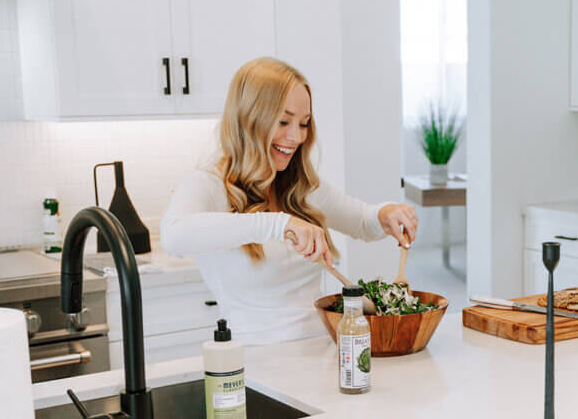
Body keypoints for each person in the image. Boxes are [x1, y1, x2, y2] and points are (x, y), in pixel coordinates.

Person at [161, 57, 418, 344]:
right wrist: (279, 224)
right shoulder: (210, 185)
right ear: (248, 118)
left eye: (304, 123)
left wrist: (386, 213)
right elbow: (173, 237)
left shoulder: (297, 186)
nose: (296, 137)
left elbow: (361, 221)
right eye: (283, 121)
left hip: (323, 352)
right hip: (256, 364)